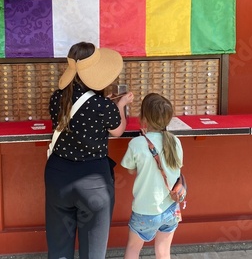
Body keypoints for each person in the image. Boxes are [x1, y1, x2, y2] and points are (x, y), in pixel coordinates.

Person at [45, 42, 134, 259]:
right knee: (93, 251)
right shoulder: (103, 105)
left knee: (58, 246)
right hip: (93, 181)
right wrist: (121, 105)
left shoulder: (57, 98)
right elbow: (118, 131)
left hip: (58, 176)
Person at [121, 93, 184, 259]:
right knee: (163, 252)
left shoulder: (137, 143)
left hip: (145, 211)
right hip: (171, 208)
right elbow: (176, 170)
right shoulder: (175, 141)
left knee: (133, 249)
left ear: (143, 117)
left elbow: (130, 169)